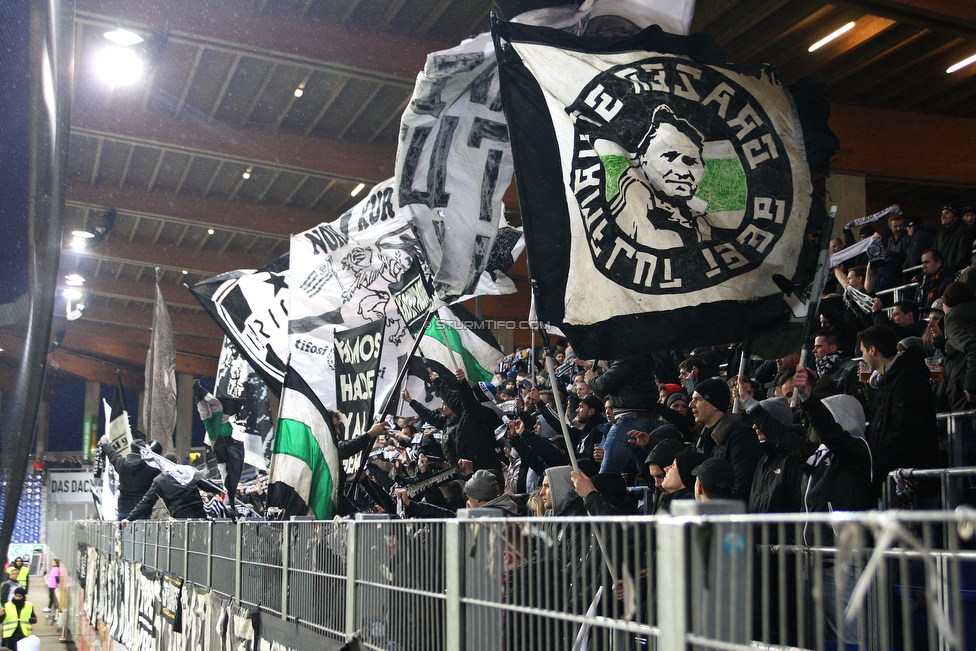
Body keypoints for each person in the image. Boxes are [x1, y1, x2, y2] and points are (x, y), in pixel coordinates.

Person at [611, 105, 712, 249]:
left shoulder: (700, 222)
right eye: (669, 157)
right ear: (643, 159)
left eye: (690, 162)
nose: (682, 171)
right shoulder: (630, 199)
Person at [859, 325, 942, 478]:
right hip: (896, 471)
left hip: (913, 474)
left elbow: (903, 426)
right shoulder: (886, 380)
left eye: (863, 352)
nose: (862, 358)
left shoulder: (907, 378)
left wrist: (880, 459)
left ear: (872, 350)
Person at [691, 378, 761, 500]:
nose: (691, 404)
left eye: (698, 399)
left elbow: (741, 485)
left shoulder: (741, 436)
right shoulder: (703, 436)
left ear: (714, 404)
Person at [193, 381, 246, 511]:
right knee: (225, 472)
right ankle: (229, 501)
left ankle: (230, 501)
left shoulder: (224, 419)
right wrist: (198, 393)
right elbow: (206, 406)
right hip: (220, 444)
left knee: (225, 472)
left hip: (225, 446)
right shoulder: (212, 418)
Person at [122, 453, 211, 523]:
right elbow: (207, 486)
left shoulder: (160, 480)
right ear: (178, 462)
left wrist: (130, 518)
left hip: (179, 516)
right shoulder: (188, 472)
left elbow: (147, 501)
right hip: (199, 514)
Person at [98, 435, 162, 520]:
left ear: (131, 450)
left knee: (123, 533)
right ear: (144, 451)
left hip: (123, 510)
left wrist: (105, 443)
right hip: (141, 511)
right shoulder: (150, 468)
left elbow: (112, 454)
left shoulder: (121, 464)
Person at [934, 205, 974, 272]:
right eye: (942, 214)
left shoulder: (963, 231)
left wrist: (950, 269)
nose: (943, 217)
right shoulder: (939, 235)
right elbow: (933, 254)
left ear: (955, 217)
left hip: (956, 273)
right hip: (942, 274)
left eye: (947, 213)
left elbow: (963, 254)